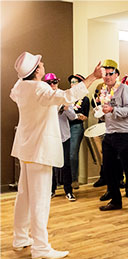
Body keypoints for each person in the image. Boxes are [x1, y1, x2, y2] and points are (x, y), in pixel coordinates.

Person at [10, 51, 103, 259]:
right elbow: (66, 96)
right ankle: (41, 248)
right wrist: (92, 77)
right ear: (36, 72)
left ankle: (20, 237)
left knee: (24, 195)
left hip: (25, 148)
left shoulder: (20, 87)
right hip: (39, 149)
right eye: (39, 63)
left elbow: (21, 88)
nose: (42, 64)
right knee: (40, 199)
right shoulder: (39, 88)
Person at [98, 59, 128, 218]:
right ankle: (116, 201)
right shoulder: (104, 90)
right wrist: (102, 112)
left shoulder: (123, 89)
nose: (107, 77)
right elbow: (106, 113)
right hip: (109, 134)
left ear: (117, 74)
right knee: (109, 170)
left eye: (111, 74)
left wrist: (112, 109)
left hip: (124, 134)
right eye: (105, 74)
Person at [44, 73, 77, 201]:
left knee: (66, 164)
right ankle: (51, 190)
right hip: (49, 136)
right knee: (50, 164)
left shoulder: (64, 95)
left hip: (64, 135)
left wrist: (66, 108)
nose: (52, 85)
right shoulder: (44, 97)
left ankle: (68, 191)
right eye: (49, 83)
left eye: (54, 82)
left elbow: (73, 116)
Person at [67, 74, 90, 189]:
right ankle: (65, 180)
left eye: (75, 82)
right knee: (64, 154)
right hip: (64, 127)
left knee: (72, 154)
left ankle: (74, 179)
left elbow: (85, 117)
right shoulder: (67, 98)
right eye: (71, 82)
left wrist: (76, 116)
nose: (72, 84)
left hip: (76, 127)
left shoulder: (85, 99)